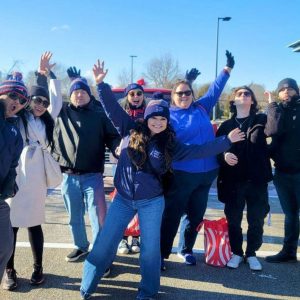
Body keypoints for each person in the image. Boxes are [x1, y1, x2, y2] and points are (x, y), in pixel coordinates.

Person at [79, 60, 244, 300]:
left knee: (150, 251)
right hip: (123, 199)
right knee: (105, 244)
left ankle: (147, 292)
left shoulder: (171, 144)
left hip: (151, 202)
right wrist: (101, 84)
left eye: (162, 119)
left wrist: (226, 141)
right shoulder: (130, 128)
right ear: (146, 118)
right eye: (153, 118)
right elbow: (111, 108)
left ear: (168, 121)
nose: (158, 122)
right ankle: (87, 286)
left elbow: (199, 150)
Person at [160, 51, 235, 268]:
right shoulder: (169, 118)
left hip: (207, 175)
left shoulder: (201, 107)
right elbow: (190, 150)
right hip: (182, 174)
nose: (184, 96)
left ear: (192, 94)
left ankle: (185, 248)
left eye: (187, 93)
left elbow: (215, 90)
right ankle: (161, 254)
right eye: (179, 93)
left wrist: (226, 70)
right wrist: (224, 142)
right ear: (172, 97)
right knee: (172, 216)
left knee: (195, 215)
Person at [2, 52, 62, 291]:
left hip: (37, 176)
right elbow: (20, 97)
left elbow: (56, 101)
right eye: (36, 100)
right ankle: (9, 270)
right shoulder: (21, 117)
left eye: (44, 102)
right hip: (18, 173)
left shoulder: (48, 120)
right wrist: (39, 74)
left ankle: (38, 268)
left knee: (35, 224)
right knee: (11, 225)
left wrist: (51, 75)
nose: (40, 105)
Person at [52, 63, 121, 265]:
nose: (79, 95)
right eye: (75, 91)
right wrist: (46, 75)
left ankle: (100, 254)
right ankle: (81, 246)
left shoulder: (99, 113)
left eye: (83, 91)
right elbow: (48, 98)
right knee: (74, 216)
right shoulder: (61, 112)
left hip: (93, 176)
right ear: (70, 95)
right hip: (68, 176)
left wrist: (117, 147)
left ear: (89, 94)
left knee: (99, 218)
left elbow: (112, 136)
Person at [216, 86, 272, 271]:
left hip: (257, 180)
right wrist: (224, 155)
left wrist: (271, 103)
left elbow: (275, 126)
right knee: (233, 219)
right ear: (233, 101)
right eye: (239, 94)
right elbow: (215, 150)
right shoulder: (226, 126)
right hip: (233, 181)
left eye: (247, 94)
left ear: (253, 101)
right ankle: (237, 252)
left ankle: (252, 253)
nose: (243, 96)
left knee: (256, 219)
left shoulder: (261, 120)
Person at [265, 78, 300, 263]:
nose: (287, 91)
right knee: (291, 214)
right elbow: (273, 130)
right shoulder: (277, 111)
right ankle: (289, 251)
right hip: (282, 173)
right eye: (283, 89)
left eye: (291, 89)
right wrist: (271, 105)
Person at [117, 83, 146, 254]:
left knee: (140, 203)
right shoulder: (121, 114)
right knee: (122, 203)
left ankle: (135, 237)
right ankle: (122, 239)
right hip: (123, 163)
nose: (136, 96)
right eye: (132, 93)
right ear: (127, 96)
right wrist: (115, 146)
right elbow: (113, 133)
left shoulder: (148, 113)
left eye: (139, 93)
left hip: (143, 165)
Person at [0, 99, 23, 281]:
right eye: (13, 95)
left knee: (5, 247)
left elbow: (12, 164)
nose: (17, 101)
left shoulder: (14, 130)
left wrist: (8, 187)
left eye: (22, 100)